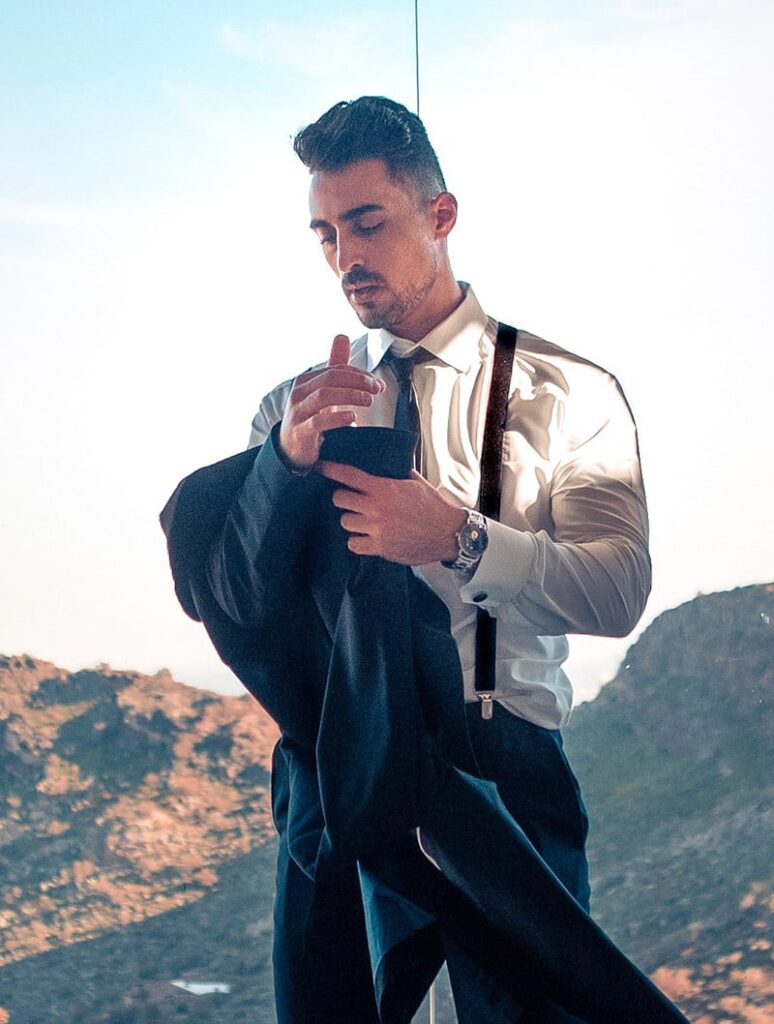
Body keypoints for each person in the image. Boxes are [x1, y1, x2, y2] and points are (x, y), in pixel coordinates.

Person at [162, 97, 666, 1023]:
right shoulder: (290, 407)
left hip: (499, 767)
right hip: (336, 775)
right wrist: (279, 470)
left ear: (441, 216)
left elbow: (618, 587)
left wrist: (457, 539)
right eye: (323, 234)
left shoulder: (570, 392)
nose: (345, 258)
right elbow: (232, 598)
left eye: (366, 222)